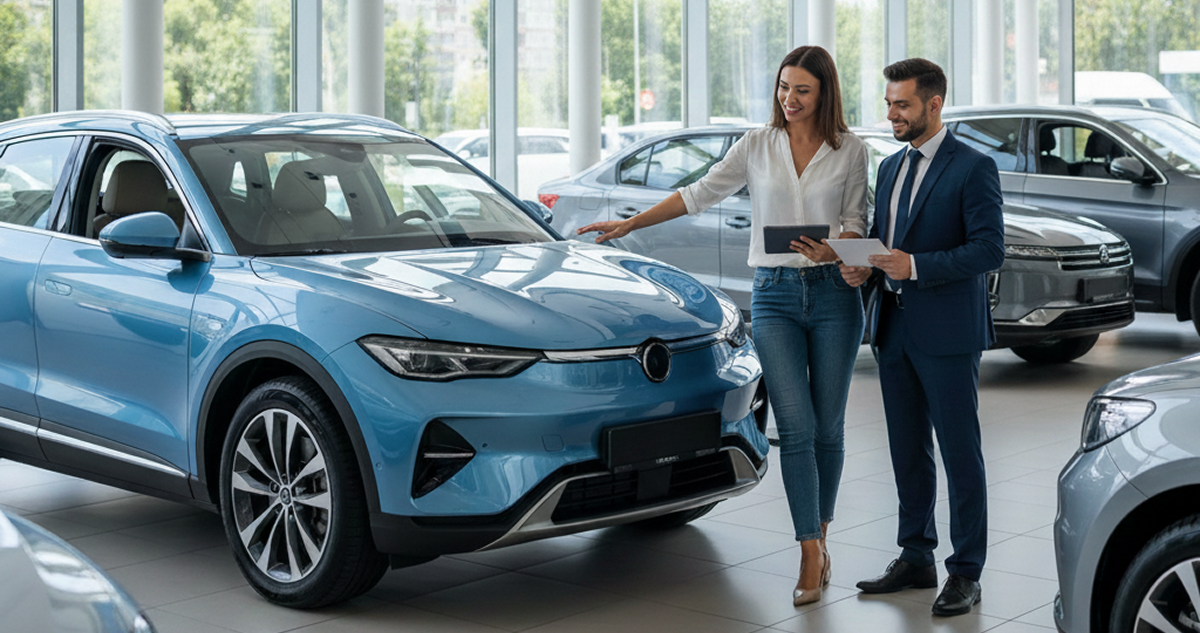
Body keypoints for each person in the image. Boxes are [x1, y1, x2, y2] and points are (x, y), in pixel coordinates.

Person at [577, 46, 869, 607]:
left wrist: (839, 250)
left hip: (834, 296)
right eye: (784, 87)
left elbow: (857, 220)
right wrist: (631, 222)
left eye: (802, 90)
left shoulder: (850, 150)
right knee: (798, 427)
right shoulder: (757, 145)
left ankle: (822, 534)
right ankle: (809, 547)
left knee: (828, 429)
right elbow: (698, 192)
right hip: (776, 298)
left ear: (825, 92)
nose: (790, 99)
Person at [839, 58, 1004, 617]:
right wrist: (865, 265)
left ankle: (967, 571)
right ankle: (916, 556)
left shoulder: (973, 167)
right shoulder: (889, 167)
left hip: (948, 330)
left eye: (902, 104)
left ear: (934, 104)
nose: (891, 114)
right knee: (907, 449)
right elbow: (888, 241)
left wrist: (918, 267)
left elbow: (989, 249)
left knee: (960, 453)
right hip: (894, 325)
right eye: (888, 103)